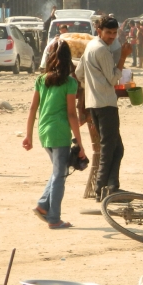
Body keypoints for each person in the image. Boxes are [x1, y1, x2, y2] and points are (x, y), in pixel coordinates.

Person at [24, 40, 85, 230]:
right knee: (60, 175)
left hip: (44, 131)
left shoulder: (41, 80)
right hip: (59, 132)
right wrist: (80, 143)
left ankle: (43, 205)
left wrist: (29, 136)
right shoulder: (70, 83)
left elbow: (33, 108)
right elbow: (71, 113)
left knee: (59, 171)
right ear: (69, 60)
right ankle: (54, 218)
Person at [76, 15, 132, 200]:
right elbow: (114, 78)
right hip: (106, 103)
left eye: (115, 33)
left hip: (94, 103)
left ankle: (112, 186)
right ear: (99, 31)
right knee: (110, 148)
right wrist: (123, 57)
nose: (111, 37)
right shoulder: (102, 50)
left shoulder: (90, 46)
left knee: (117, 148)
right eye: (108, 33)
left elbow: (79, 73)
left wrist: (91, 87)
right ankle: (102, 188)